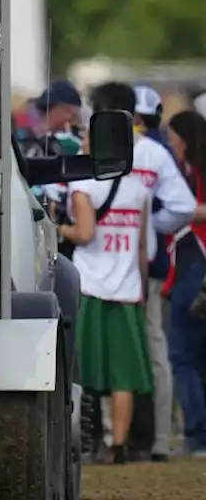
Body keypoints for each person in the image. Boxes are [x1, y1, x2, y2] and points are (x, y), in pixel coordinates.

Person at [57, 126, 155, 465]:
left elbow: (84, 233)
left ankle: (91, 441)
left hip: (91, 285)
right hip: (127, 289)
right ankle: (119, 445)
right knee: (124, 375)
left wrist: (58, 228)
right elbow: (142, 247)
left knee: (86, 370)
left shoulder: (83, 186)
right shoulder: (139, 188)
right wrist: (141, 287)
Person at [131, 85, 175, 461]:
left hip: (122, 267)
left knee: (135, 350)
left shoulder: (149, 151)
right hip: (152, 265)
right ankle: (157, 438)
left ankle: (137, 437)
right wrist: (153, 227)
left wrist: (142, 227)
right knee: (154, 349)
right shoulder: (163, 151)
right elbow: (178, 208)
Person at [163, 111, 206, 457]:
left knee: (182, 356)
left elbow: (191, 211)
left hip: (195, 261)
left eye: (174, 137)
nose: (170, 143)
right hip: (194, 262)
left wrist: (181, 209)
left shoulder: (192, 173)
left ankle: (196, 434)